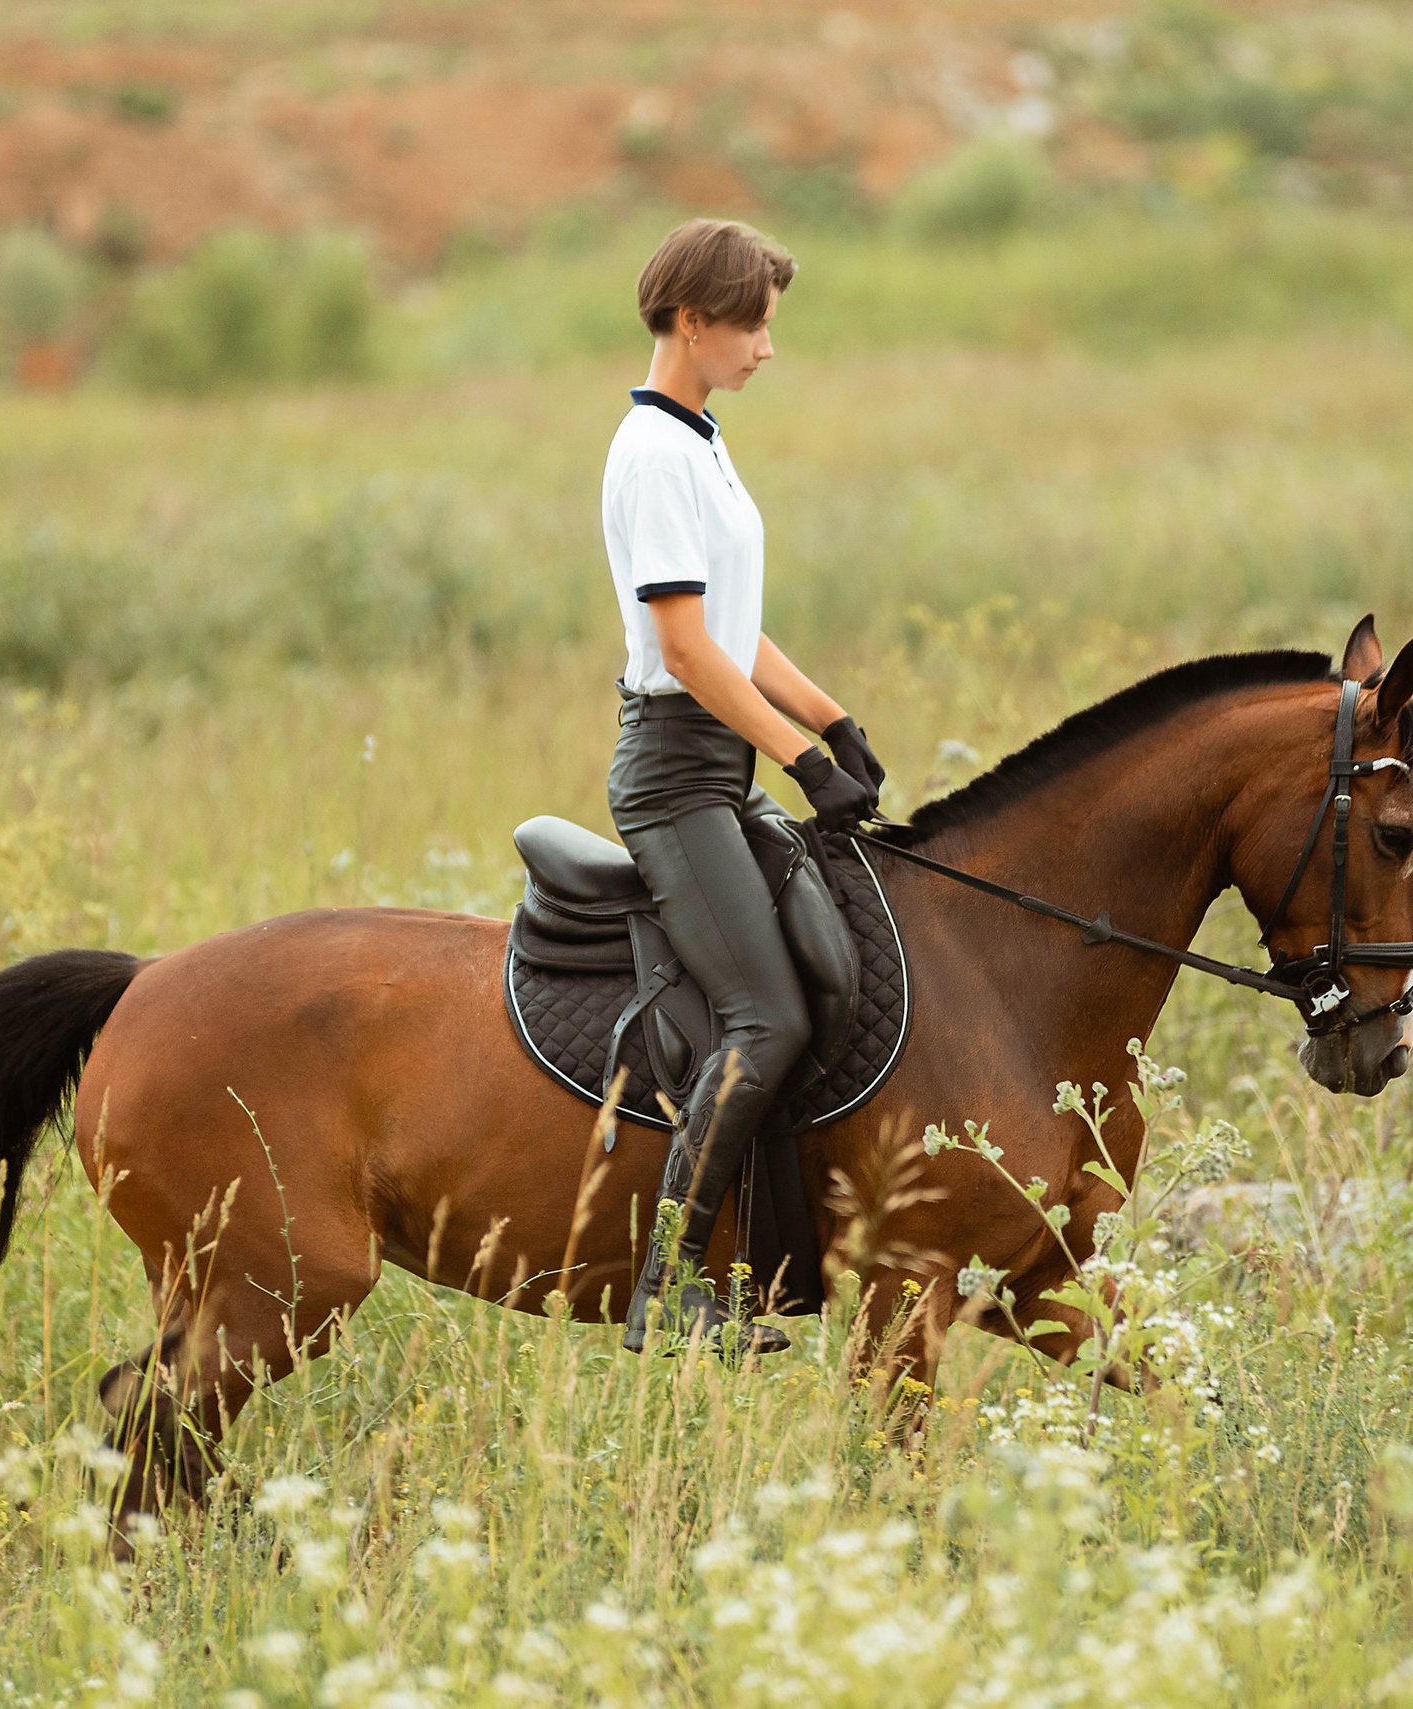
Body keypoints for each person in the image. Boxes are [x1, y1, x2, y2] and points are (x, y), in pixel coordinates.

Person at [601, 217, 886, 1355]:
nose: (769, 345)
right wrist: (800, 759)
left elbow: (735, 627)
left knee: (831, 962)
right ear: (691, 321)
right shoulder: (655, 453)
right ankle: (666, 1281)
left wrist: (829, 716)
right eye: (754, 322)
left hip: (719, 761)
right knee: (763, 1015)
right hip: (676, 777)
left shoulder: (700, 436)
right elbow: (685, 651)